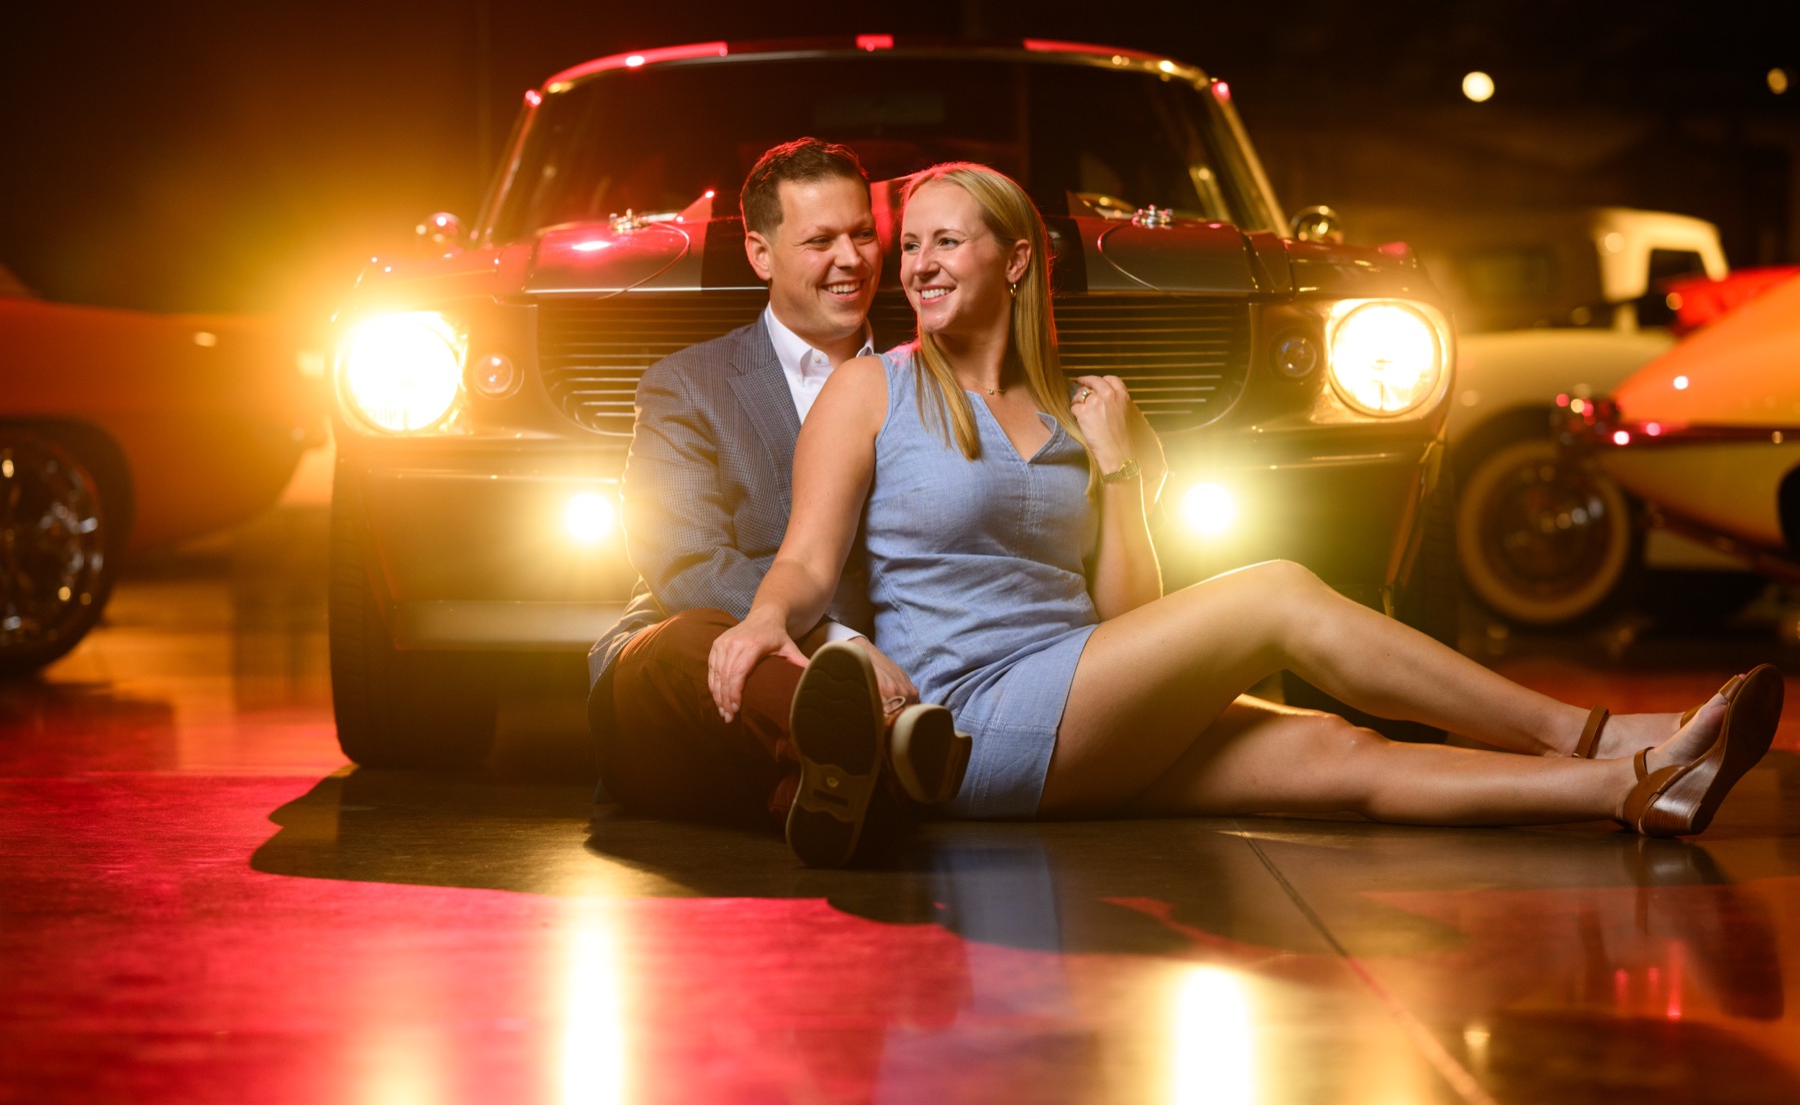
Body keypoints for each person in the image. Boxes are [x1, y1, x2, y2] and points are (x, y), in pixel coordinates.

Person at [709, 161, 1783, 836]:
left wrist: (1123, 464)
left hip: (1084, 702)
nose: (917, 264)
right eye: (913, 247)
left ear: (1020, 258)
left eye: (948, 239)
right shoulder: (872, 387)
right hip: (968, 721)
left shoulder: (1086, 412)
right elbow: (806, 560)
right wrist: (763, 623)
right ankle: (1589, 734)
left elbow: (1129, 618)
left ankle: (1637, 789)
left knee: (1334, 755)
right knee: (1272, 590)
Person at [587, 139, 970, 867]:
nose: (852, 260)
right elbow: (687, 560)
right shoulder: (686, 385)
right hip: (688, 688)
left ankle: (832, 784)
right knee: (691, 635)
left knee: (803, 775)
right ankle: (882, 749)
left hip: (869, 691)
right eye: (820, 240)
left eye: (863, 233)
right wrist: (834, 642)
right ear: (762, 254)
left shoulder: (931, 384)